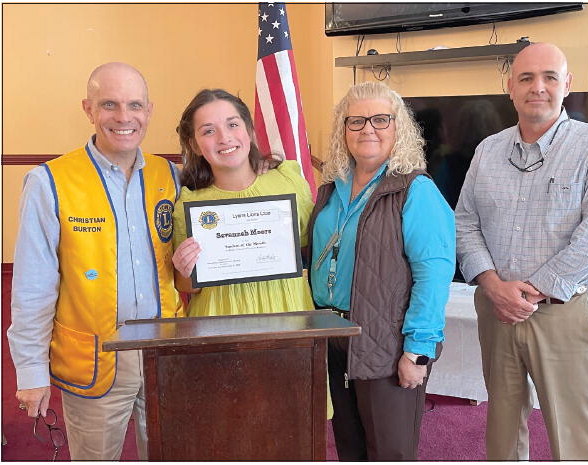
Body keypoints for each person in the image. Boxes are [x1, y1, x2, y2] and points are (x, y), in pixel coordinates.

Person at [454, 43, 588, 460]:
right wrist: (492, 284)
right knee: (502, 430)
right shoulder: (487, 151)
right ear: (510, 89)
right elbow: (464, 222)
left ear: (567, 85)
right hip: (496, 310)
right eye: (526, 78)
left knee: (575, 436)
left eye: (550, 77)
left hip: (564, 313)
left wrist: (532, 290)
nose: (539, 87)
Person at [7, 62, 184, 460]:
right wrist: (32, 371)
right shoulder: (49, 181)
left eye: (135, 105)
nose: (124, 117)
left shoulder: (170, 176)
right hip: (96, 356)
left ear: (150, 110)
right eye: (110, 104)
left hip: (165, 355)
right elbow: (33, 286)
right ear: (88, 109)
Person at [307, 81, 455, 460]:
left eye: (380, 119)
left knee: (390, 452)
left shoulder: (415, 190)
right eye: (355, 121)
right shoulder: (331, 189)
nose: (367, 129)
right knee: (349, 447)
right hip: (331, 335)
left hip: (387, 345)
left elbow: (433, 275)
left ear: (398, 127)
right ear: (343, 129)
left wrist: (418, 351)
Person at [171, 89, 314, 317]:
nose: (224, 137)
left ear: (248, 130)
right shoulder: (188, 203)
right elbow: (187, 285)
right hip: (219, 319)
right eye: (209, 131)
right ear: (195, 145)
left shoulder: (288, 182)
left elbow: (310, 247)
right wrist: (184, 267)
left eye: (233, 125)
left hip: (288, 312)